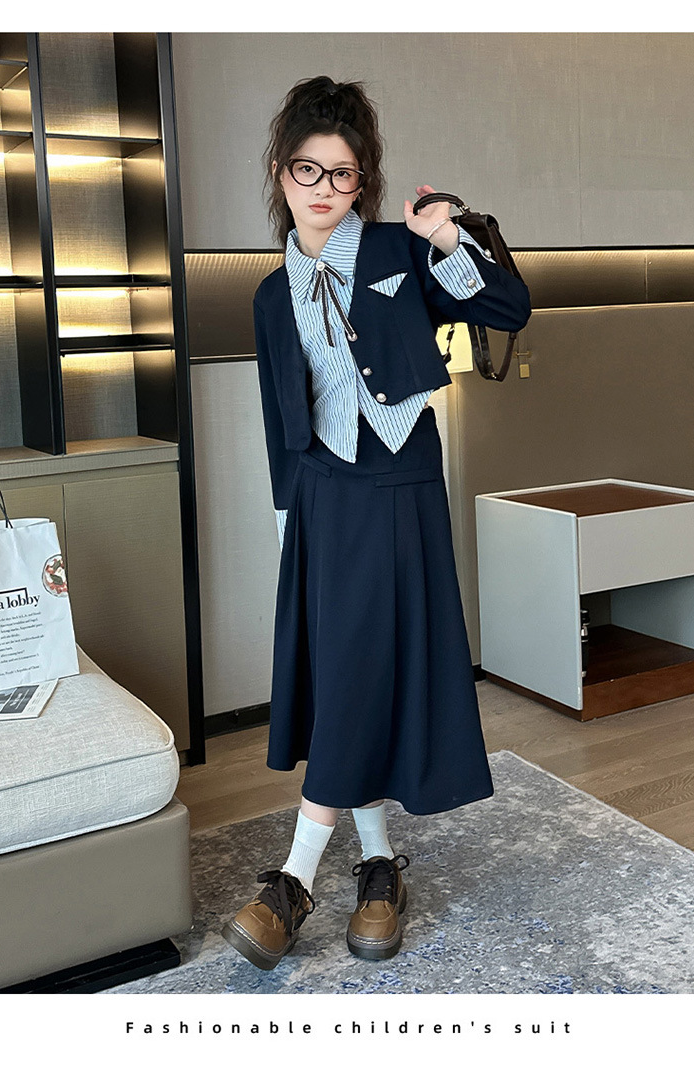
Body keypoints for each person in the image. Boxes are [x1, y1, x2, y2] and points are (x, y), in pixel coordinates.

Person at [221, 75, 531, 972]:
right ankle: (380, 867)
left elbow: (509, 310)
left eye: (343, 173)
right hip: (323, 495)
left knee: (361, 663)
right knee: (347, 671)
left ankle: (292, 880)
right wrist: (288, 522)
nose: (323, 188)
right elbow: (281, 416)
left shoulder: (401, 249)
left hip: (399, 485)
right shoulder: (270, 294)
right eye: (306, 170)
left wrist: (451, 241)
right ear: (280, 173)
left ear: (364, 180)